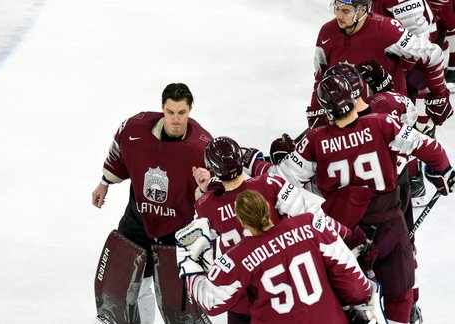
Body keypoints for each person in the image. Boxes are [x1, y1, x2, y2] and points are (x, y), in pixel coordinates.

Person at [276, 74, 454, 323]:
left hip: (342, 232)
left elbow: (280, 182)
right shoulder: (382, 124)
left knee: (350, 300)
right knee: (400, 294)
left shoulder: (314, 139)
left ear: (327, 110)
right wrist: (442, 171)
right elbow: (429, 147)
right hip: (388, 226)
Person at [192, 136, 377, 324]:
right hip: (289, 283)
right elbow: (313, 217)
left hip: (240, 296)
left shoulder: (205, 207)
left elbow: (201, 255)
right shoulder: (268, 184)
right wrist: (349, 236)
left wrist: (207, 191)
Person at [91, 83, 213, 323]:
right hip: (138, 220)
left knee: (175, 297)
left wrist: (205, 188)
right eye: (170, 112)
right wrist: (104, 182)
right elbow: (119, 151)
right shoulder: (135, 129)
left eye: (181, 113)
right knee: (134, 286)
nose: (176, 119)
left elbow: (212, 196)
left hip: (177, 231)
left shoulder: (202, 147)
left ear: (190, 110)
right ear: (162, 109)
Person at [175, 190, 387, 323]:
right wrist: (358, 302)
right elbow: (352, 278)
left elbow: (211, 302)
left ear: (242, 221)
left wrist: (188, 263)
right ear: (268, 207)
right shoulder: (309, 223)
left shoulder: (238, 257)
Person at [307, 0, 453, 130]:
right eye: (337, 9)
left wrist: (438, 95)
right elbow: (321, 75)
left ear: (362, 10)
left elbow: (431, 53)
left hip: (389, 121)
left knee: (419, 140)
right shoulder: (327, 31)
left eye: (345, 11)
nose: (338, 15)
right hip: (345, 120)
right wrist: (316, 109)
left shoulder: (386, 29)